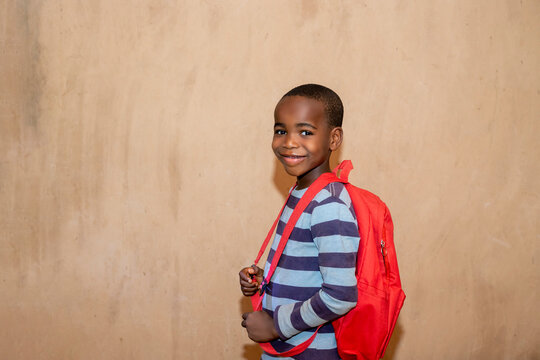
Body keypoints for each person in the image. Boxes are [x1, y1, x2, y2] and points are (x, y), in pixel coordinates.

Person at [239, 84, 360, 360]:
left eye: (305, 132)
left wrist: (274, 324)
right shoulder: (303, 193)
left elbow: (341, 295)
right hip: (289, 349)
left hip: (309, 352)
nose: (289, 142)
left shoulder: (328, 206)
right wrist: (263, 279)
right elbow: (305, 267)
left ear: (334, 139)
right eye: (281, 130)